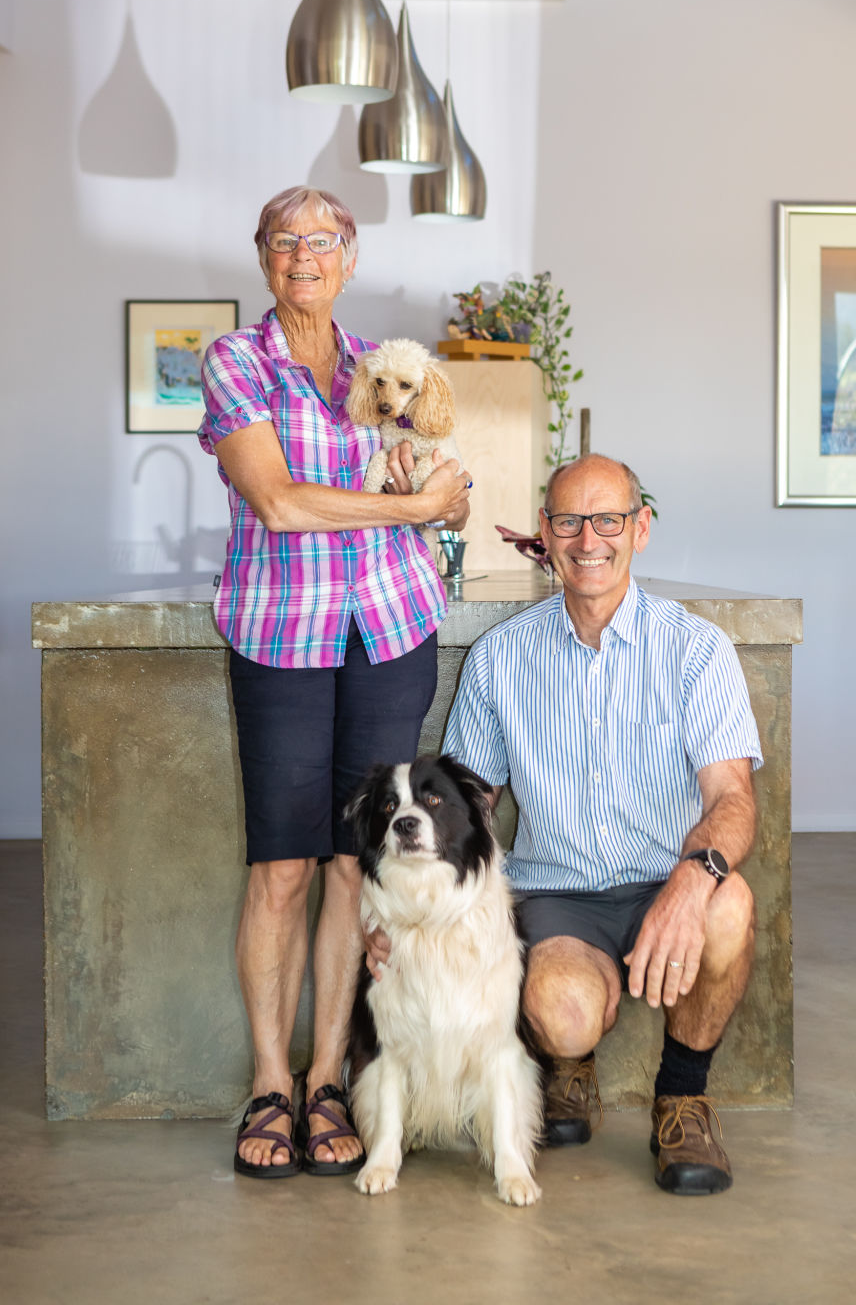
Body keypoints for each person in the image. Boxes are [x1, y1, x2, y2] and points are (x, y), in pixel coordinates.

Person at [198, 186, 471, 1179]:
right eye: (283, 240)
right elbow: (274, 500)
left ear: (349, 260)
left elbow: (435, 485)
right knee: (283, 867)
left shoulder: (381, 370)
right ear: (264, 258)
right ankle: (268, 1081)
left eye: (322, 240)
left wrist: (440, 501)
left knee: (357, 866)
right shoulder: (237, 361)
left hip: (390, 631)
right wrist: (405, 512)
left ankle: (324, 1079)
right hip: (281, 636)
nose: (302, 254)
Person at [441, 453, 762, 1195]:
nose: (590, 540)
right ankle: (568, 1064)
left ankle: (682, 1100)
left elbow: (733, 800)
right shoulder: (501, 659)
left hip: (666, 880)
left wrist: (692, 881)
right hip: (560, 895)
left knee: (732, 905)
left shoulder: (697, 649)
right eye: (569, 521)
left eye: (608, 519)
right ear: (544, 537)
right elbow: (466, 809)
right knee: (565, 1014)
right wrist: (411, 905)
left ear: (639, 529)